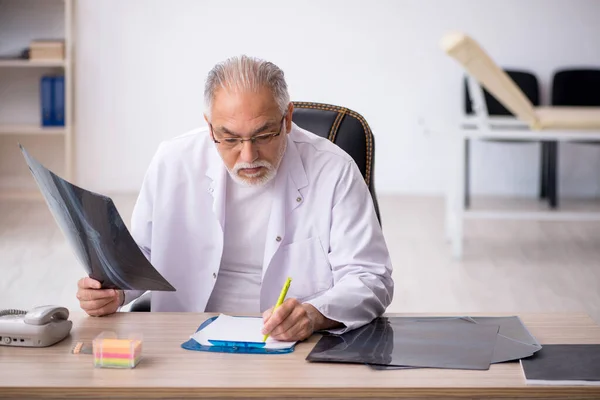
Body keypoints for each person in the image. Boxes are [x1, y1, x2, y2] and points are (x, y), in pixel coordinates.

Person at [76, 55, 394, 341]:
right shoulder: (174, 160)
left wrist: (314, 314)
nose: (248, 155)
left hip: (292, 346)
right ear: (210, 126)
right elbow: (143, 253)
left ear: (287, 118)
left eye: (263, 135)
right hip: (184, 338)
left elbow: (370, 277)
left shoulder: (333, 169)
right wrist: (114, 291)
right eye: (229, 138)